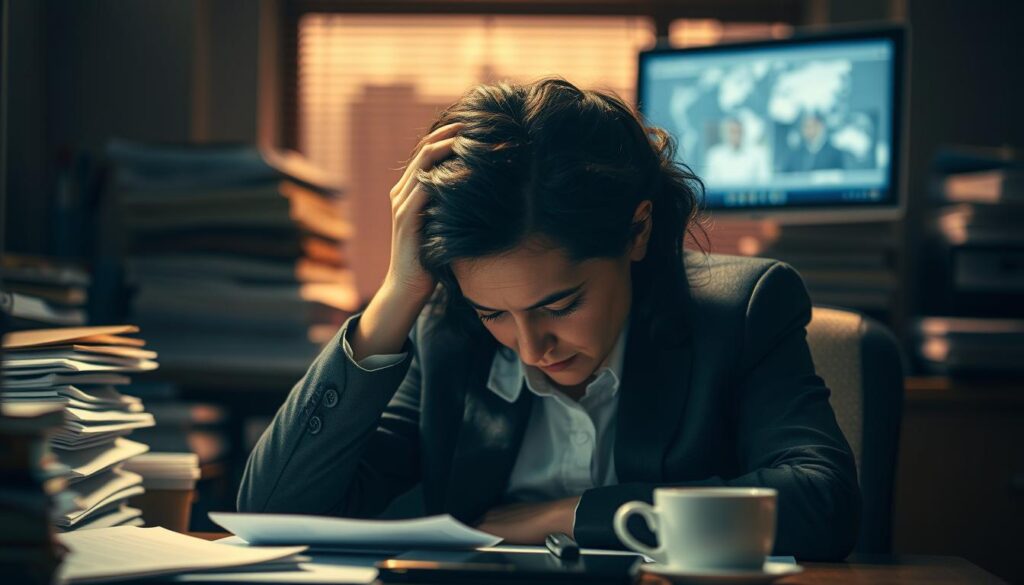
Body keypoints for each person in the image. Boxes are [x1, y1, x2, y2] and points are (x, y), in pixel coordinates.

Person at [238, 78, 860, 560]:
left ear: (637, 230)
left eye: (560, 305)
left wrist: (572, 514)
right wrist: (399, 293)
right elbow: (272, 513)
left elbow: (822, 503)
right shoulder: (448, 334)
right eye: (495, 313)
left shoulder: (744, 311)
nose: (531, 347)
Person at [704, 116, 770, 185]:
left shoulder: (756, 155)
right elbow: (710, 184)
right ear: (725, 133)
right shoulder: (715, 155)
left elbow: (764, 182)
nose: (736, 136)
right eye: (732, 132)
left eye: (739, 132)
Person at [779, 110, 845, 172]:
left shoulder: (834, 154)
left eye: (809, 126)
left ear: (820, 126)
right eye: (804, 126)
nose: (806, 130)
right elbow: (784, 176)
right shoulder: (795, 155)